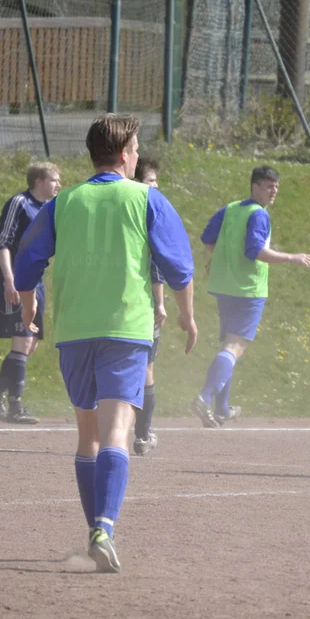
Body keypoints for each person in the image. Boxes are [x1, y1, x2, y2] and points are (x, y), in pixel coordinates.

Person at [13, 114, 197, 573]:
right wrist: (187, 316)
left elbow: (27, 261)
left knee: (88, 436)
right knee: (118, 431)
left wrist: (29, 307)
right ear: (126, 155)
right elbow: (179, 266)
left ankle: (96, 530)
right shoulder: (145, 198)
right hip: (125, 329)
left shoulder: (65, 201)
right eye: (135, 148)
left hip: (74, 331)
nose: (137, 156)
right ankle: (104, 530)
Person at [191, 166, 310, 428]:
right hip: (248, 290)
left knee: (228, 345)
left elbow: (208, 239)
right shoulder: (259, 215)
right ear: (255, 186)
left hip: (225, 286)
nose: (274, 191)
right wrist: (292, 257)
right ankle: (204, 396)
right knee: (235, 347)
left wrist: (221, 258)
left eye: (276, 187)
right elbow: (255, 251)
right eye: (269, 186)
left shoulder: (231, 208)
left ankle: (222, 408)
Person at [0, 162, 61, 424]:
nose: (58, 185)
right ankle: (15, 405)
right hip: (16, 279)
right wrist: (9, 279)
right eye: (54, 180)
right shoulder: (19, 203)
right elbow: (3, 241)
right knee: (23, 341)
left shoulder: (50, 208)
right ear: (38, 181)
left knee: (32, 345)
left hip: (36, 282)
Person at [133, 155, 164, 456]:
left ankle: (109, 433)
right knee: (146, 367)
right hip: (141, 302)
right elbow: (158, 264)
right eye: (151, 181)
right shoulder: (149, 213)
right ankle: (142, 435)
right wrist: (162, 303)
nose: (157, 186)